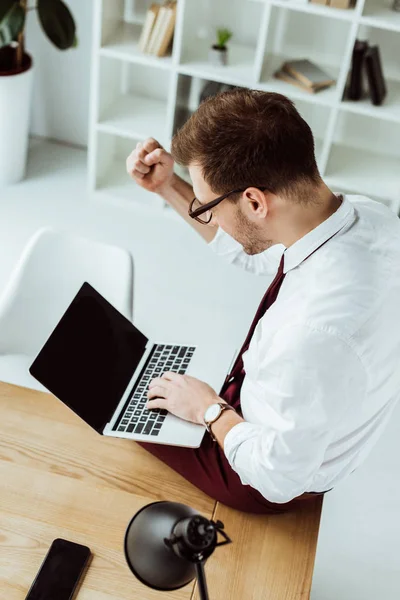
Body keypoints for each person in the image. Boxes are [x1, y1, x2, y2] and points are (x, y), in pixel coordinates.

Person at [126, 88, 400, 514]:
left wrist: (210, 410)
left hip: (263, 471)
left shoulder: (311, 335)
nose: (207, 215)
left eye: (209, 206)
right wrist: (168, 187)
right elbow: (263, 251)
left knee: (121, 407)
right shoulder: (367, 218)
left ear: (255, 200)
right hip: (300, 420)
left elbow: (277, 477)